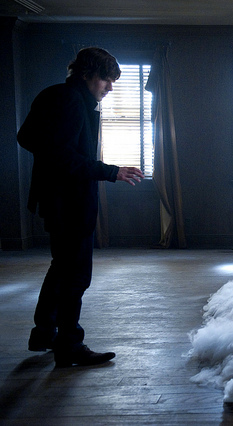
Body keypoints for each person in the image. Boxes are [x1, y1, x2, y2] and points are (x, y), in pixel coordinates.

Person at [18, 47, 145, 367]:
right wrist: (112, 171)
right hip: (70, 202)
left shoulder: (54, 95)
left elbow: (27, 138)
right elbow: (64, 157)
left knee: (61, 267)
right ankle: (69, 344)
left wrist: (50, 157)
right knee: (75, 275)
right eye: (106, 79)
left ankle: (44, 333)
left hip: (56, 200)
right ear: (87, 74)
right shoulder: (73, 102)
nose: (110, 87)